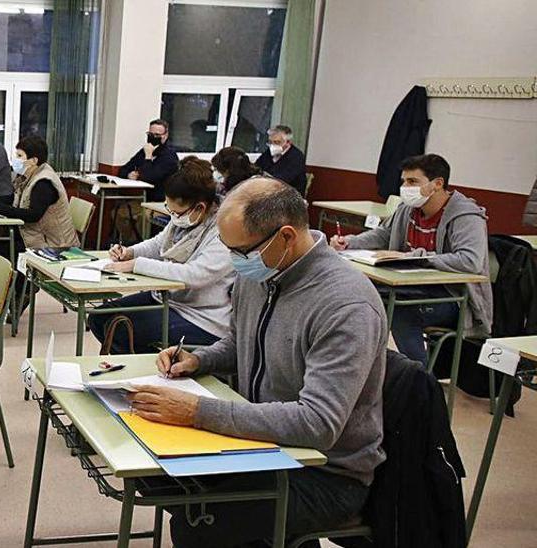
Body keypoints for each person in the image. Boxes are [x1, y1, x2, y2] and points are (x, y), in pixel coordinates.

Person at [128, 178, 386, 547]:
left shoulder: (346, 305)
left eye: (240, 250)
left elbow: (318, 424)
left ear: (285, 237)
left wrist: (197, 411)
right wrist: (199, 359)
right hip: (263, 443)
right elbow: (242, 341)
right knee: (157, 475)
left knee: (197, 522)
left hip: (323, 471)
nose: (234, 260)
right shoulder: (262, 272)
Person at [330, 154, 493, 365]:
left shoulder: (466, 216)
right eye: (404, 181)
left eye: (413, 182)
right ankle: (356, 365)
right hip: (411, 286)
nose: (405, 187)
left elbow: (470, 261)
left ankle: (419, 381)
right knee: (363, 294)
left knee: (400, 312)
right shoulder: (408, 208)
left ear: (437, 184)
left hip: (454, 297)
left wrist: (412, 258)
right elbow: (383, 234)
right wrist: (349, 242)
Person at [86, 157, 234, 353]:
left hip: (201, 317)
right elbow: (158, 244)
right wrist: (129, 252)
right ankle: (141, 364)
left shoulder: (224, 231)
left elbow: (196, 275)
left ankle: (146, 371)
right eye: (169, 210)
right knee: (99, 318)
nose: (173, 217)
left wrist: (137, 264)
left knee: (120, 328)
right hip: (167, 298)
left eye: (177, 213)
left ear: (200, 208)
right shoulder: (185, 218)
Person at [0, 134, 78, 299]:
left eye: (20, 156)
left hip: (53, 244)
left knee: (3, 251)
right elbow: (14, 200)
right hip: (35, 236)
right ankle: (7, 296)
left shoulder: (43, 183)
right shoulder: (28, 176)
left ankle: (21, 293)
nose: (15, 159)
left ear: (33, 160)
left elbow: (33, 215)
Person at [120, 119, 180, 201]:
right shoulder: (145, 150)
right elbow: (123, 169)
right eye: (150, 134)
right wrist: (129, 174)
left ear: (165, 136)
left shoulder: (169, 156)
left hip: (163, 201)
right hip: (145, 197)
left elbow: (148, 178)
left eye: (157, 135)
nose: (153, 138)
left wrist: (148, 156)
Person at [254, 125, 308, 196]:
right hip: (267, 192)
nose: (272, 146)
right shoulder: (268, 152)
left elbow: (282, 180)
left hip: (289, 196)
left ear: (288, 142)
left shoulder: (297, 157)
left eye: (277, 142)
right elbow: (256, 168)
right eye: (270, 142)